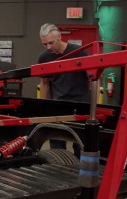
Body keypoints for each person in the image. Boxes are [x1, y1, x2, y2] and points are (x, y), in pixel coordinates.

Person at [38, 23, 90, 151]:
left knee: (81, 146)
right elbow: (44, 83)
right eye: (45, 44)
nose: (49, 47)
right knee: (57, 147)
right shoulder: (44, 58)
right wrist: (44, 108)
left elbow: (93, 79)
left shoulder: (80, 52)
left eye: (51, 42)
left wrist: (94, 106)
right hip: (58, 107)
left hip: (80, 107)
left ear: (60, 37)